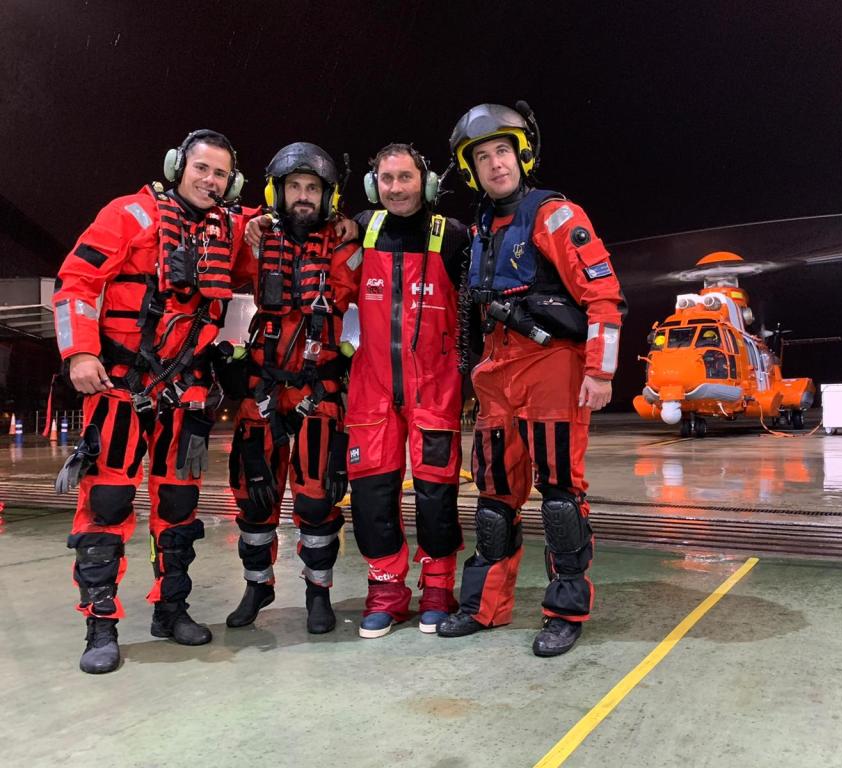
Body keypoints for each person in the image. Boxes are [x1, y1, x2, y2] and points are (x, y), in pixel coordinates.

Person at [53, 129, 247, 673]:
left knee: (179, 509)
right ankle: (100, 626)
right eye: (202, 169)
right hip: (118, 388)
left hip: (187, 395)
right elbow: (76, 282)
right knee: (107, 505)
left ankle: (171, 609)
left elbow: (273, 227)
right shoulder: (128, 215)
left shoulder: (229, 231)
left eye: (220, 174)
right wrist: (79, 354)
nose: (210, 180)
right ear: (177, 165)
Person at [438, 103, 626, 657]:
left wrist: (600, 371)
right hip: (497, 377)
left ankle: (565, 610)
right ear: (472, 169)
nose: (496, 164)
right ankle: (484, 607)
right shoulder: (478, 229)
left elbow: (603, 297)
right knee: (495, 499)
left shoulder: (556, 216)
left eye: (503, 151)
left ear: (521, 155)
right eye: (482, 156)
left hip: (552, 371)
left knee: (561, 498)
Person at [335, 143, 470, 638]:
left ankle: (438, 587)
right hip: (371, 393)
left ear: (425, 181)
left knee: (436, 494)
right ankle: (387, 589)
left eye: (405, 177)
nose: (395, 188)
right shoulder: (360, 233)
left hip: (434, 390)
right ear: (374, 186)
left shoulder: (453, 237)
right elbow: (328, 293)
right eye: (386, 179)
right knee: (371, 495)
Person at [226, 143, 355, 634]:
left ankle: (317, 592)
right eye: (294, 187)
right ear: (275, 192)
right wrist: (248, 225)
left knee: (317, 500)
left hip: (319, 391)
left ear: (328, 197)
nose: (303, 196)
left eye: (313, 188)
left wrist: (354, 221)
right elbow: (213, 239)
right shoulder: (253, 238)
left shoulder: (347, 245)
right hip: (260, 390)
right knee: (253, 496)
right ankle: (257, 585)